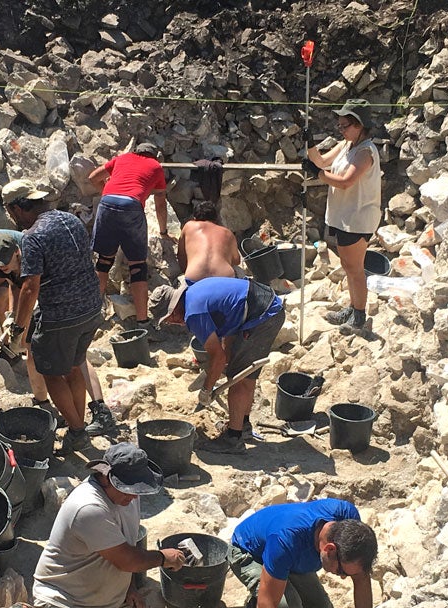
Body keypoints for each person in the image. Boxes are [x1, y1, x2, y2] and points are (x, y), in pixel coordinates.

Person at [0, 443, 188, 608]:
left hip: (108, 599)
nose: (134, 497)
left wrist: (129, 589)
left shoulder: (125, 497)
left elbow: (125, 545)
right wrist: (163, 557)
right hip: (68, 599)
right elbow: (127, 559)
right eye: (129, 489)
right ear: (105, 477)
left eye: (137, 489)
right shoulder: (88, 508)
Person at [3, 179, 103, 452]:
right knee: (74, 365)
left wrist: (18, 327)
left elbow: (30, 287)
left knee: (50, 372)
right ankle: (77, 426)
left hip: (62, 314)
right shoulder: (70, 220)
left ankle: (78, 431)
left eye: (10, 211)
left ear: (17, 208)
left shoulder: (33, 236)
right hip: (91, 306)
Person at [228, 498, 378, 608]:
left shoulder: (348, 520)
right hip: (250, 552)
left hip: (291, 560)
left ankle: (285, 596)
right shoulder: (285, 539)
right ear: (329, 550)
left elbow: (361, 578)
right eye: (341, 571)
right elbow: (267, 607)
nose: (343, 577)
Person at [152, 277, 285, 454]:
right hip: (264, 306)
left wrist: (206, 389)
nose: (172, 323)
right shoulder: (193, 293)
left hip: (263, 314)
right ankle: (242, 425)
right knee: (243, 373)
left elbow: (218, 357)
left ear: (174, 309)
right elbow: (229, 325)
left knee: (238, 378)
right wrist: (224, 361)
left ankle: (233, 439)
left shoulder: (193, 313)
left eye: (169, 319)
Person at [303, 99, 381, 331]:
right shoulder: (347, 145)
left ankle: (359, 315)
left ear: (359, 125)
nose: (340, 129)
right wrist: (310, 145)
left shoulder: (365, 152)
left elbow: (346, 181)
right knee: (348, 266)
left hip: (357, 218)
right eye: (339, 125)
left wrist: (318, 174)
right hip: (344, 216)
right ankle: (354, 307)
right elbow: (322, 161)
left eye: (344, 125)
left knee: (355, 268)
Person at [88, 142, 172, 331]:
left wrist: (108, 194)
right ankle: (142, 321)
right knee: (137, 266)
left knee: (103, 262)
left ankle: (91, 314)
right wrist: (163, 232)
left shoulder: (122, 158)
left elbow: (93, 177)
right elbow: (160, 204)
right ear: (154, 156)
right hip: (131, 207)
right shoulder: (156, 167)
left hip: (107, 203)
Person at [176, 200, 241, 284]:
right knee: (238, 270)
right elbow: (236, 260)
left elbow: (181, 255)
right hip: (224, 279)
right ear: (216, 219)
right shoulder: (227, 233)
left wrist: (186, 270)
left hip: (195, 279)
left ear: (195, 219)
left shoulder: (189, 226)